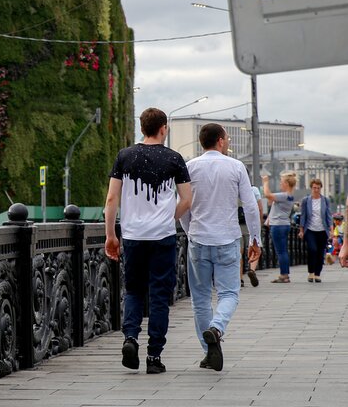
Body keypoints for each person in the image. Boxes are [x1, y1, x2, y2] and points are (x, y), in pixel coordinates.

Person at [104, 107, 192, 374]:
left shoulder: (124, 156)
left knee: (133, 290)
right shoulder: (175, 158)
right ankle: (154, 356)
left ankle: (130, 338)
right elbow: (187, 200)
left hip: (132, 236)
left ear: (142, 128)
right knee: (159, 296)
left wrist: (111, 235)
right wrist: (169, 217)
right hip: (162, 236)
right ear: (163, 128)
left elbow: (111, 200)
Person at [180, 123, 262, 372]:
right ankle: (216, 328)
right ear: (220, 141)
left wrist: (189, 231)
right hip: (227, 239)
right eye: (226, 138)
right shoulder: (236, 167)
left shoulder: (190, 167)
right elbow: (249, 205)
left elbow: (183, 206)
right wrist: (255, 239)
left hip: (198, 240)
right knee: (229, 293)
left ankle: (209, 352)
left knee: (200, 298)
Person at [262, 171, 298, 283]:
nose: (280, 184)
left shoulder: (284, 195)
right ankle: (285, 273)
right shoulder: (290, 196)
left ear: (287, 183)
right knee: (283, 251)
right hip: (284, 224)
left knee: (280, 251)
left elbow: (267, 194)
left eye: (281, 182)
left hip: (278, 226)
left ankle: (284, 275)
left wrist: (265, 182)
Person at [298, 179, 332, 282]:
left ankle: (317, 274)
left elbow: (328, 215)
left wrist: (331, 229)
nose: (316, 190)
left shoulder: (325, 200)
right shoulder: (306, 200)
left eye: (318, 188)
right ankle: (311, 272)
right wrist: (301, 230)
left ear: (321, 188)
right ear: (311, 188)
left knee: (320, 252)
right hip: (310, 229)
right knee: (312, 250)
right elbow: (303, 216)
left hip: (322, 230)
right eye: (314, 188)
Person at [245, 184, 266, 287]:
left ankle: (239, 278)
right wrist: (260, 223)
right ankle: (252, 269)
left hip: (235, 221)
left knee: (238, 249)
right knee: (255, 243)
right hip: (251, 222)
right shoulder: (254, 189)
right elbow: (259, 208)